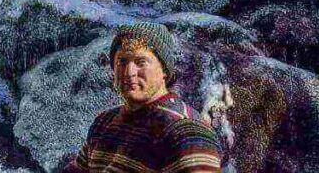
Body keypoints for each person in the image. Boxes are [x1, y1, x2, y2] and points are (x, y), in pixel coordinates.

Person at [65, 23, 223, 172]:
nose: (129, 72)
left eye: (141, 62)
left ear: (164, 70)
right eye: (122, 61)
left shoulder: (188, 132)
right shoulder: (104, 122)